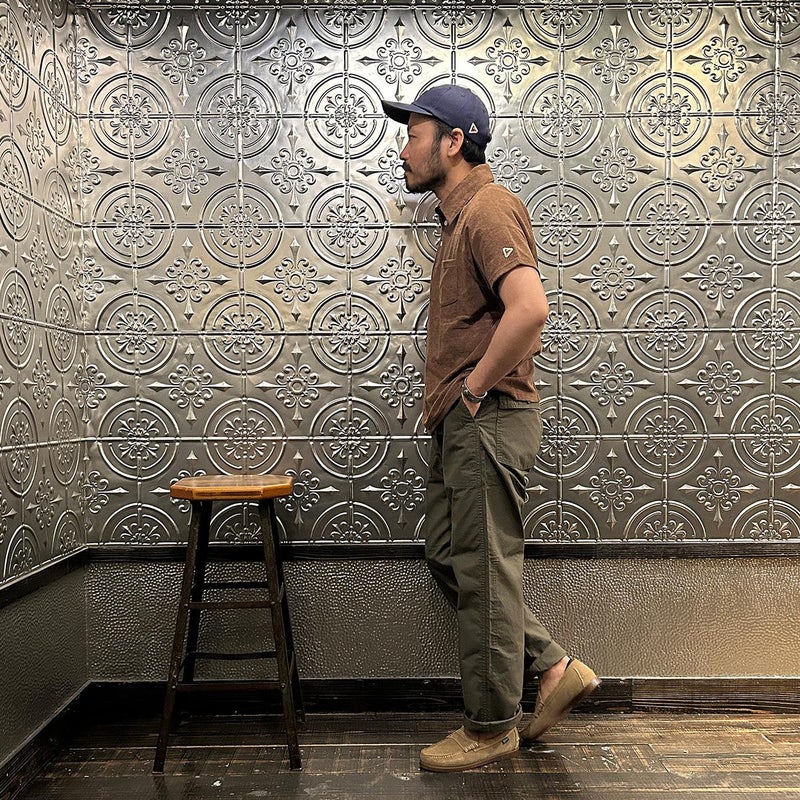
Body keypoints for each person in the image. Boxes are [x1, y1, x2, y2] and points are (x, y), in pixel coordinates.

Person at [380, 85, 600, 772]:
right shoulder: (459, 219)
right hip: (464, 423)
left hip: (488, 418)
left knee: (481, 569)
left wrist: (473, 390)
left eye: (414, 134)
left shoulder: (488, 208)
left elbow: (529, 308)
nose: (403, 148)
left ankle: (490, 726)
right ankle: (553, 667)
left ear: (453, 142)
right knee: (452, 555)